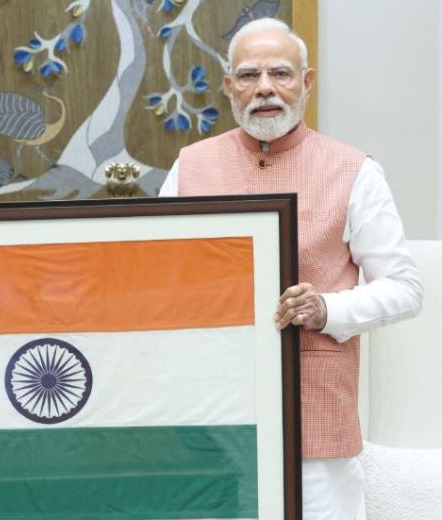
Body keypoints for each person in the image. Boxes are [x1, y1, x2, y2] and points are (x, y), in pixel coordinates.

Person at [159, 17, 422, 520]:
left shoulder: (353, 170)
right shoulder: (189, 167)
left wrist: (326, 309)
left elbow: (406, 288)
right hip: (212, 412)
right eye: (248, 75)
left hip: (316, 417)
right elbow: (159, 277)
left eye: (280, 73)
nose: (264, 88)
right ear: (228, 86)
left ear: (306, 82)